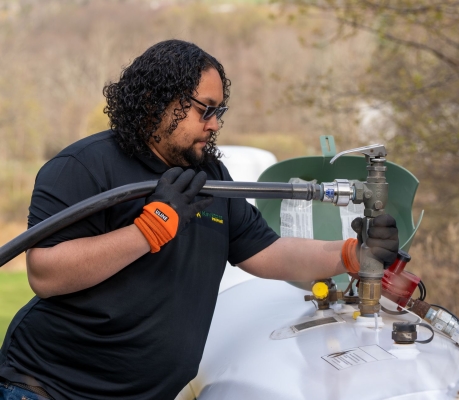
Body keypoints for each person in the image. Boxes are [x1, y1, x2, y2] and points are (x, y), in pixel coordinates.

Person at [0, 39, 399, 400]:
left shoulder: (210, 176)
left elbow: (267, 251)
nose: (214, 125)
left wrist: (351, 254)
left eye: (219, 111)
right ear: (157, 101)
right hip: (46, 389)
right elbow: (45, 273)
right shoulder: (84, 166)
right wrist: (149, 229)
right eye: (204, 110)